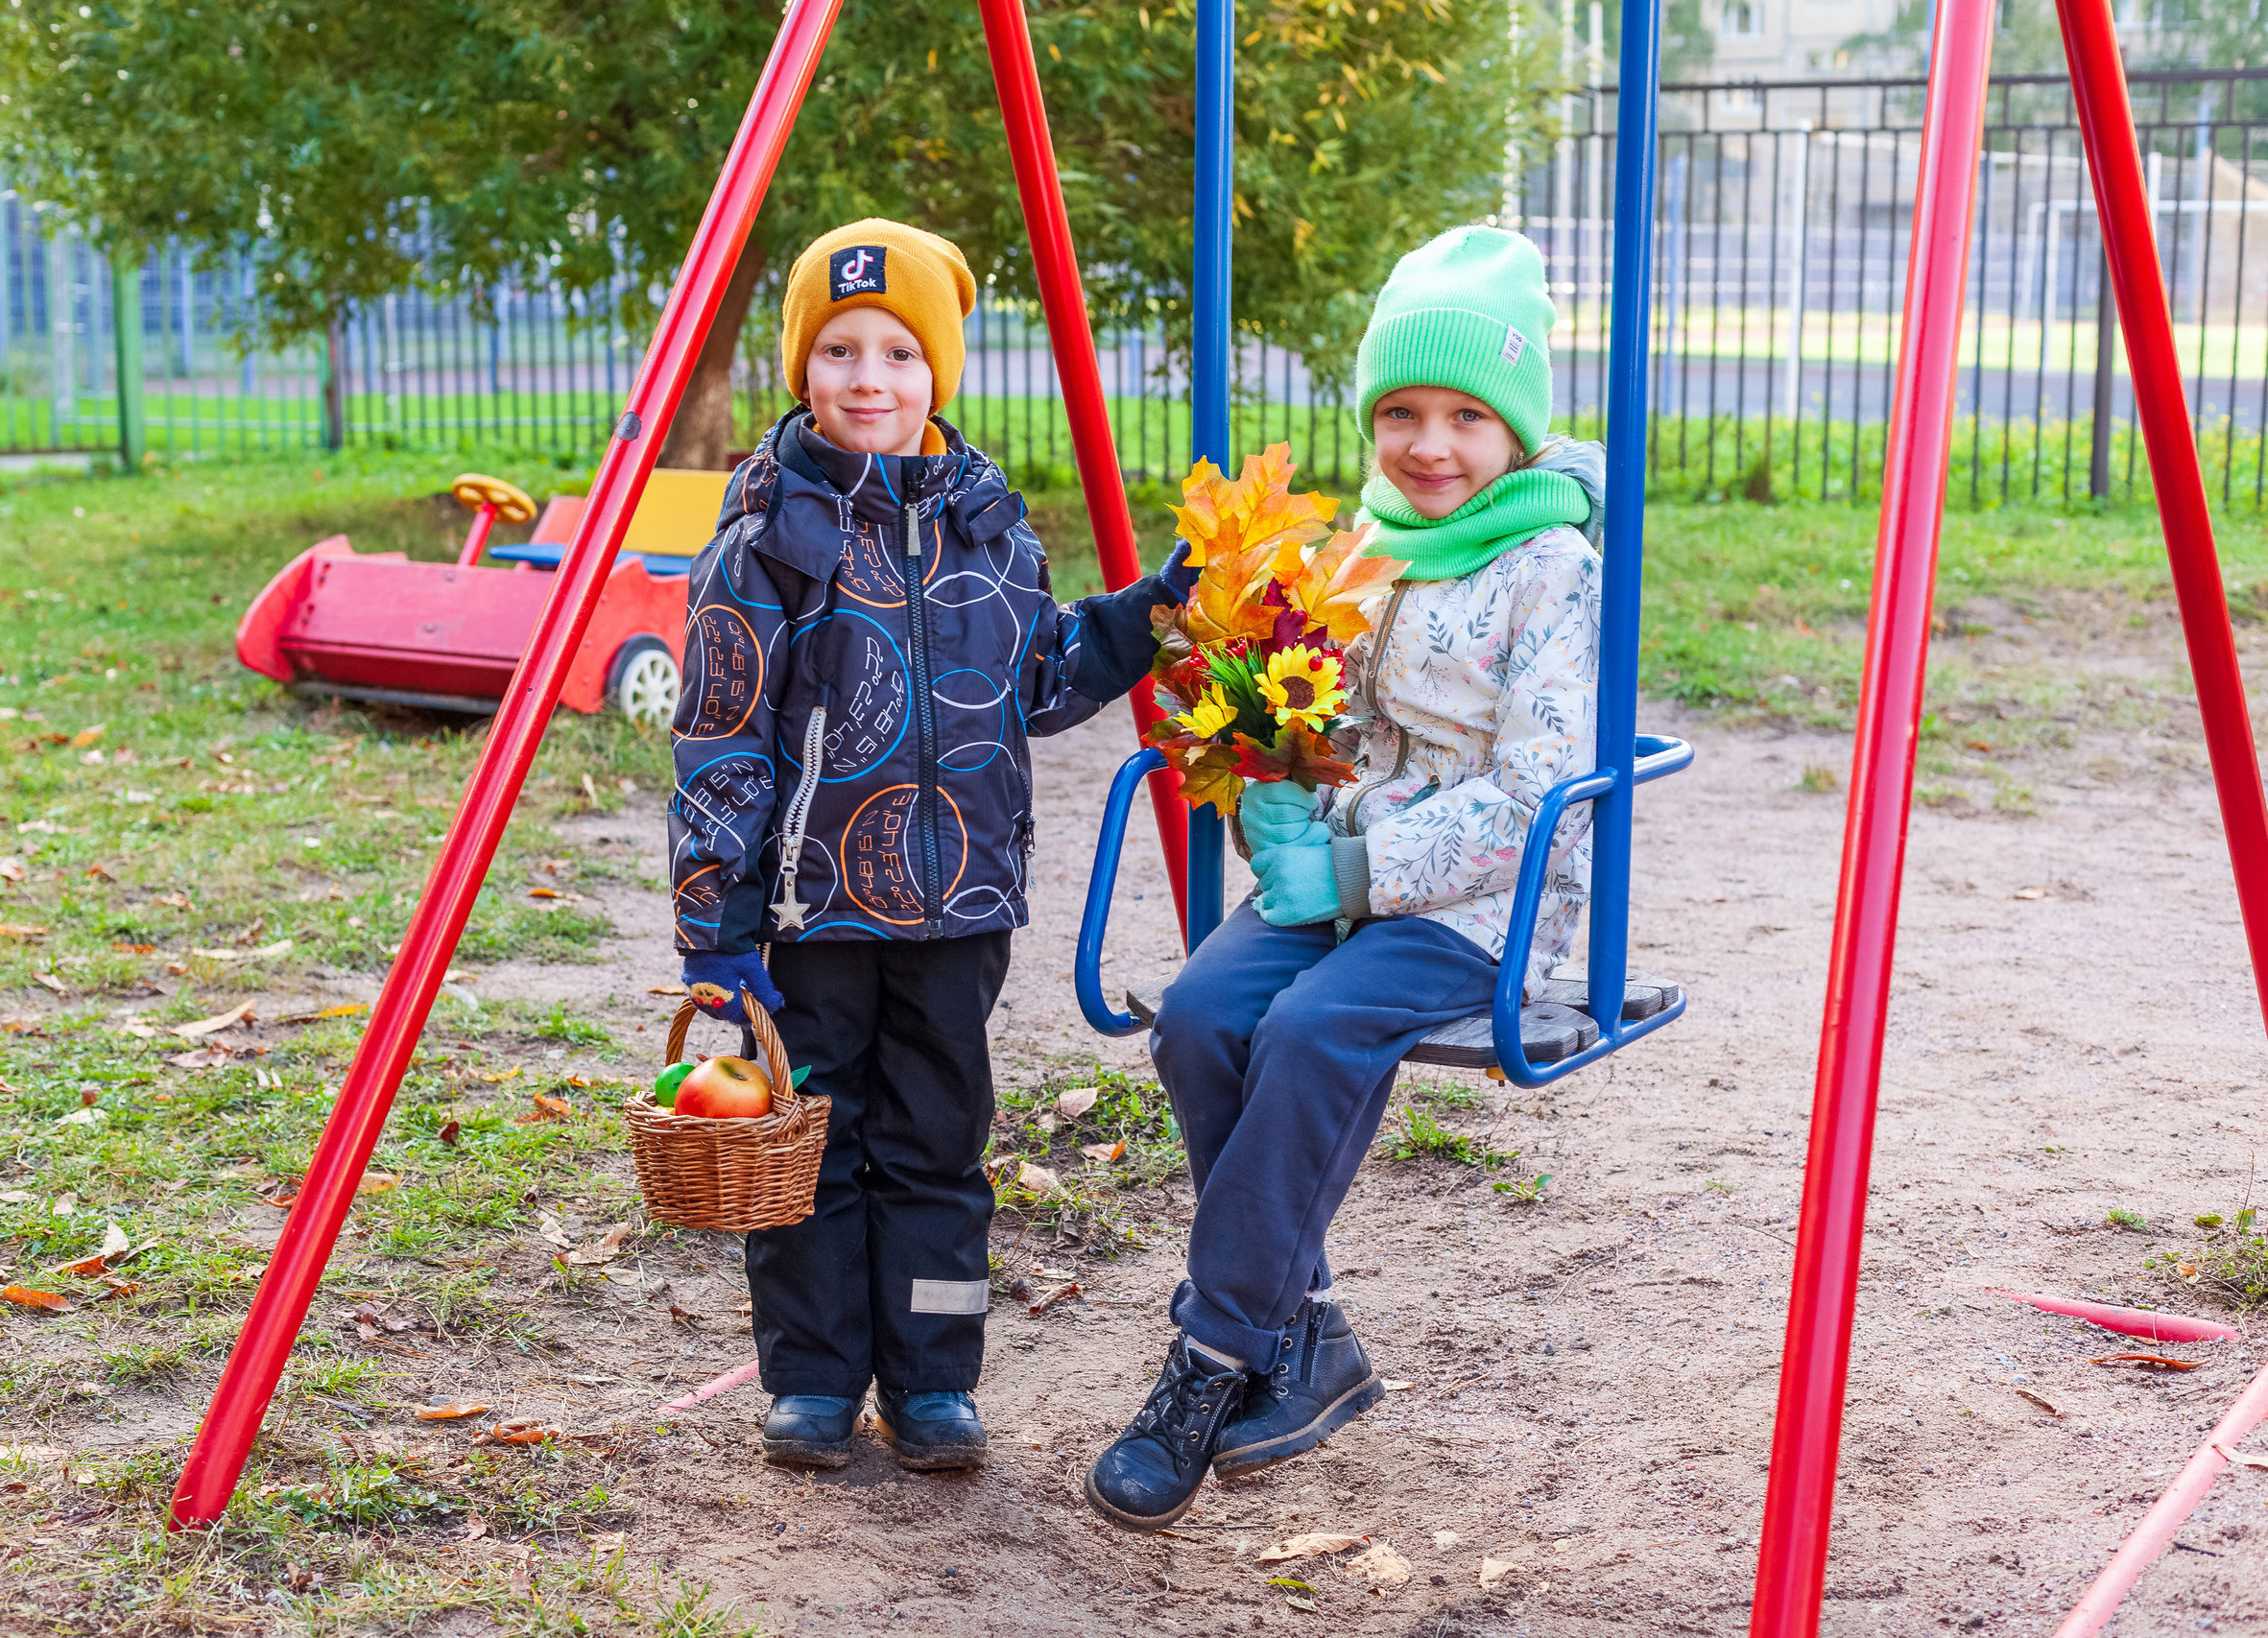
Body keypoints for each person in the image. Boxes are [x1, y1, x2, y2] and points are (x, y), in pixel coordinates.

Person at [1085, 226, 1608, 1530]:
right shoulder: (1367, 547)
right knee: (1203, 1017)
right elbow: (1334, 723)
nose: (1430, 446)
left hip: (1482, 900)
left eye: (1465, 418)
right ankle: (1304, 1331)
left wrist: (1363, 867)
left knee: (1313, 1032)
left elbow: (1542, 790)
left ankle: (1211, 1361)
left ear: (1517, 431)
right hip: (1342, 870)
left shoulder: (1556, 564)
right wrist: (1281, 787)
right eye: (1401, 415)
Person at [668, 219, 1193, 1473]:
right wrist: (717, 927)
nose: (868, 378)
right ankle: (810, 1379)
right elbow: (720, 739)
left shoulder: (990, 525)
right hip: (811, 915)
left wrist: (1137, 623)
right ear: (803, 368)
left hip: (960, 903)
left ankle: (934, 1380)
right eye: (839, 349)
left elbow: (1042, 680)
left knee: (940, 1150)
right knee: (810, 1150)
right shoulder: (765, 543)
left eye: (899, 352)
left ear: (937, 372)